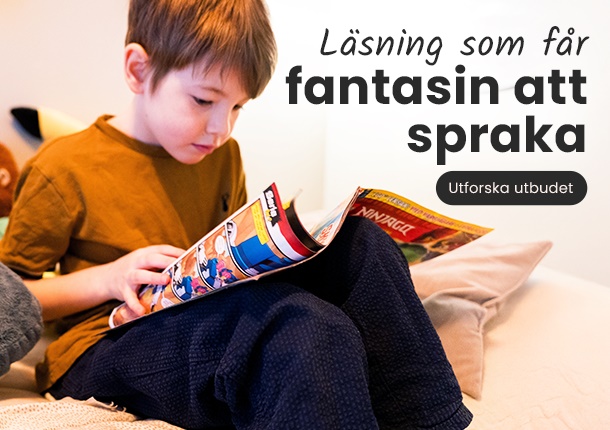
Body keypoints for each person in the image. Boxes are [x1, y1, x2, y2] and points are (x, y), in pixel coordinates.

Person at [0, 0, 473, 428]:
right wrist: (108, 278)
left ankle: (428, 422)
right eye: (204, 100)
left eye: (238, 107)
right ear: (139, 70)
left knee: (363, 242)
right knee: (304, 329)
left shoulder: (221, 156)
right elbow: (14, 299)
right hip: (101, 343)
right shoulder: (62, 167)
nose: (220, 128)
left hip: (203, 312)